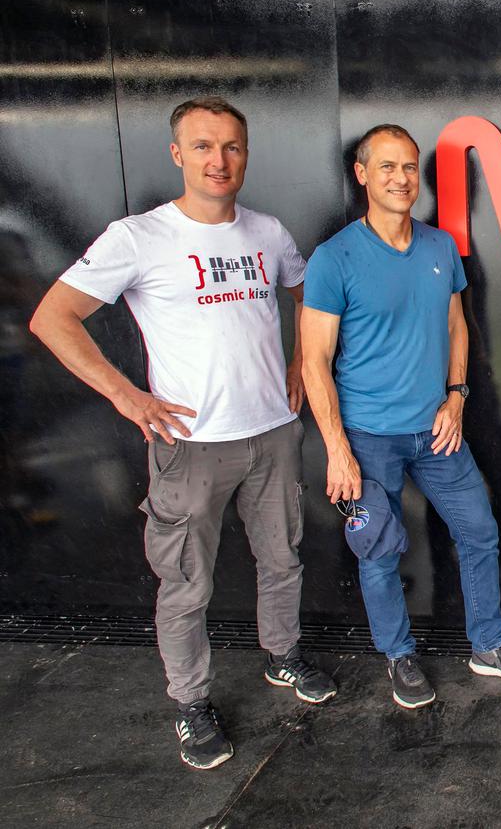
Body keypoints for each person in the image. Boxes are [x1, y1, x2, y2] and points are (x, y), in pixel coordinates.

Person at [28, 96, 336, 771]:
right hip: (189, 444)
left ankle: (283, 658)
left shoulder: (267, 232)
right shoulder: (137, 237)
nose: (219, 160)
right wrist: (124, 393)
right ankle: (191, 703)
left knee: (283, 558)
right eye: (203, 146)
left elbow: (312, 300)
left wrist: (296, 363)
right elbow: (54, 317)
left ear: (245, 154)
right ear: (177, 154)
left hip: (274, 433)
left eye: (231, 147)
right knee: (186, 581)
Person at [300, 124, 501, 710]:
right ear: (362, 175)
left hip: (435, 430)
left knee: (480, 531)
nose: (401, 178)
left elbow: (459, 325)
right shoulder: (335, 259)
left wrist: (457, 397)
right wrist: (336, 449)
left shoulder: (440, 248)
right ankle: (398, 654)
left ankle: (488, 645)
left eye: (409, 167)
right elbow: (314, 360)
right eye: (387, 167)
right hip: (367, 437)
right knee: (381, 551)